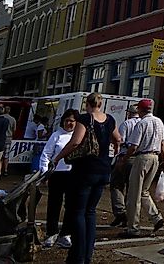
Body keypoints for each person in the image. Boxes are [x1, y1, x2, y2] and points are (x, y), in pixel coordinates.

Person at [53, 93, 121, 264]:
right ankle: (88, 253)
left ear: (87, 104)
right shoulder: (110, 119)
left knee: (78, 211)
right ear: (101, 104)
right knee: (91, 212)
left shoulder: (85, 119)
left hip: (85, 170)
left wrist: (58, 158)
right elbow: (118, 138)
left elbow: (75, 142)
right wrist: (115, 148)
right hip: (103, 169)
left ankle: (79, 254)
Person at [121, 98, 164, 238]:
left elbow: (134, 146)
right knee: (144, 191)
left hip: (142, 158)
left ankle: (133, 228)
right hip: (155, 158)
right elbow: (163, 142)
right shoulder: (159, 122)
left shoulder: (141, 124)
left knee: (134, 194)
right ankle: (156, 217)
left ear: (140, 110)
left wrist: (124, 159)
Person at [39, 108, 78, 249]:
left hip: (73, 174)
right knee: (54, 204)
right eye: (67, 121)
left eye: (72, 121)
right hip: (57, 174)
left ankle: (66, 234)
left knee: (71, 205)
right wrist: (45, 172)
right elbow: (46, 154)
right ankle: (51, 232)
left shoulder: (78, 136)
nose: (69, 124)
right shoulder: (56, 135)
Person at [109, 104, 141, 227]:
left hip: (125, 156)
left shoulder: (126, 124)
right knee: (132, 187)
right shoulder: (143, 123)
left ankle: (120, 212)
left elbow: (120, 140)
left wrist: (118, 156)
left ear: (129, 113)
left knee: (116, 184)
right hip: (138, 158)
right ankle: (130, 214)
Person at [0, 106, 17, 177]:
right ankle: (6, 170)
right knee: (6, 156)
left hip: (0, 138)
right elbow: (14, 129)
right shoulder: (13, 119)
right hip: (8, 139)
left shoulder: (0, 118)